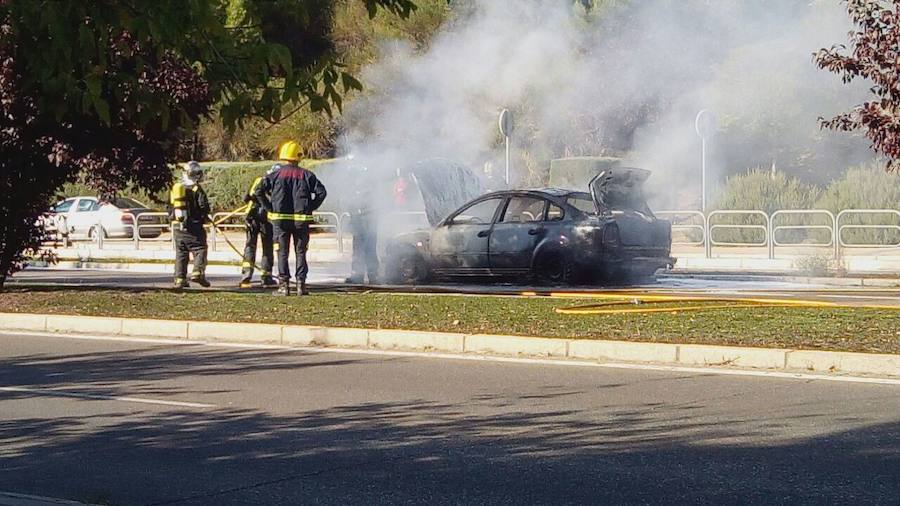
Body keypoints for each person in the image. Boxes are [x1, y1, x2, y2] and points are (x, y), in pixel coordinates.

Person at [256, 141, 327, 296]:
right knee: (300, 252)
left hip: (280, 221)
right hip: (301, 221)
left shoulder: (274, 175)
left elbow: (258, 191)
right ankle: (301, 286)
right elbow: (322, 192)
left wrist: (270, 208)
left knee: (282, 253)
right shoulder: (307, 175)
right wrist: (310, 208)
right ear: (299, 156)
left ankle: (284, 286)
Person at [170, 161, 211, 289]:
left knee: (181, 253)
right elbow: (203, 206)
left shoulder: (177, 189)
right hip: (193, 226)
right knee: (200, 248)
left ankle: (179, 279)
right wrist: (205, 217)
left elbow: (170, 208)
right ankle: (198, 272)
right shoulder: (196, 189)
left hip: (177, 228)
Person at [239, 164, 279, 289]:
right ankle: (266, 277)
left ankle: (246, 276)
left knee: (250, 245)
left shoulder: (260, 180)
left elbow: (246, 197)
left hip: (252, 216)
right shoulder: (278, 185)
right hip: (265, 219)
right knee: (267, 247)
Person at [346, 166, 379, 284]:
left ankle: (371, 275)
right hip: (359, 219)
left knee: (368, 247)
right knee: (359, 248)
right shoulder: (357, 187)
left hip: (366, 219)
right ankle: (360, 275)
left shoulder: (366, 187)